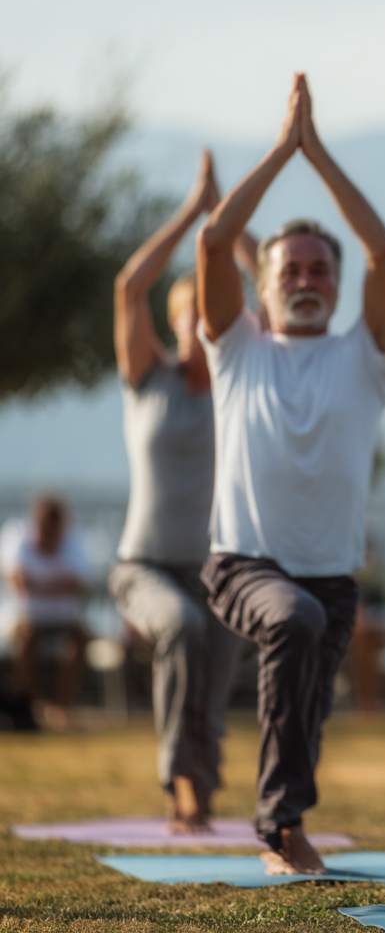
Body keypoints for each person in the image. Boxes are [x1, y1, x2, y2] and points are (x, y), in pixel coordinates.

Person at [196, 72, 385, 875]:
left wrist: (320, 154)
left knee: (308, 712)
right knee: (292, 621)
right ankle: (279, 826)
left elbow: (384, 248)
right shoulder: (236, 349)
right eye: (292, 269)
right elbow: (215, 243)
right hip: (244, 565)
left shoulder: (366, 357)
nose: (308, 280)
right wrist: (283, 150)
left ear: (339, 284)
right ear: (265, 282)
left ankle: (286, 826)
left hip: (334, 578)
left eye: (321, 269)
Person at [107, 151, 256, 832]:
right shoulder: (149, 380)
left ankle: (198, 780)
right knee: (183, 628)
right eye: (191, 311)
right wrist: (192, 214)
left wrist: (226, 224)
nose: (202, 322)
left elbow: (275, 287)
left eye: (212, 311)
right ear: (174, 321)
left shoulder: (235, 384)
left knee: (213, 672)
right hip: (143, 565)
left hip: (215, 565)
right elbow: (127, 287)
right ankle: (180, 782)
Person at [0, 495, 93, 729]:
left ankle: (60, 707)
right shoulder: (15, 536)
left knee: (81, 638)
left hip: (64, 619)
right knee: (27, 639)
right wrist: (58, 584)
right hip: (24, 618)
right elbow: (19, 581)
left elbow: (78, 586)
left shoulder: (76, 540)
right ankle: (32, 706)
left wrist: (38, 584)